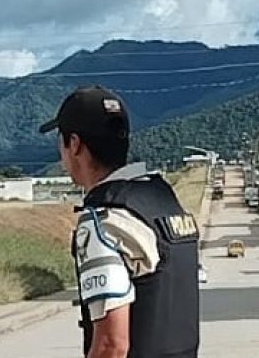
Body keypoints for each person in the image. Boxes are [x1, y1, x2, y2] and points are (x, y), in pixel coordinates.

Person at [40, 85, 199, 358]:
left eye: (61, 142)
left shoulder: (104, 221)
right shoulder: (163, 199)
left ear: (74, 144)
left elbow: (111, 345)